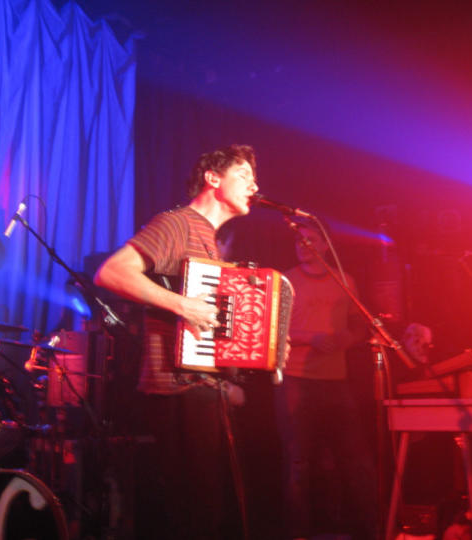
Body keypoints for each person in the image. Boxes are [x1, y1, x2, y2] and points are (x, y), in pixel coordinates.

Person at [94, 144, 259, 539]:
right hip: (177, 387)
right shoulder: (177, 224)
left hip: (203, 385)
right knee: (193, 512)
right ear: (213, 179)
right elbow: (112, 273)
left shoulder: (209, 239)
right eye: (245, 176)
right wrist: (182, 304)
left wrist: (259, 351)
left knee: (210, 508)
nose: (255, 186)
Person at [276, 221, 377, 540]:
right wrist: (311, 338)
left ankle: (367, 530)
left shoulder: (344, 281)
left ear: (324, 246)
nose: (302, 245)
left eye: (310, 240)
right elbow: (271, 331)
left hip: (337, 381)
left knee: (355, 459)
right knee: (299, 462)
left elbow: (360, 328)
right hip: (297, 381)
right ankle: (298, 533)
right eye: (298, 241)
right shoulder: (287, 280)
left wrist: (344, 341)